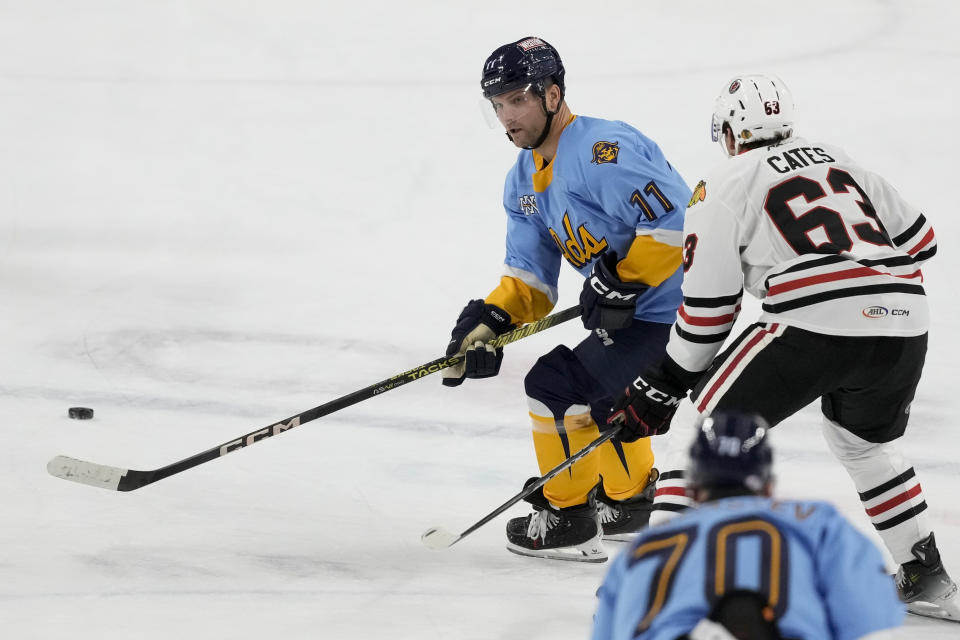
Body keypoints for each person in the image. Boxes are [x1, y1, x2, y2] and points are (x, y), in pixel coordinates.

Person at [607, 74, 958, 620]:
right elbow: (921, 240)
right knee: (864, 445)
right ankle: (927, 575)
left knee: (700, 428)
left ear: (729, 131)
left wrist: (663, 382)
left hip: (815, 324)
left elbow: (708, 313)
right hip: (905, 320)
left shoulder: (721, 183)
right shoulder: (839, 159)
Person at [441, 36, 691, 562]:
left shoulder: (604, 151)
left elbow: (676, 220)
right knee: (604, 400)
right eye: (497, 105)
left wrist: (626, 278)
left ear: (552, 95)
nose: (507, 116)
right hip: (636, 318)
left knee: (555, 387)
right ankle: (628, 503)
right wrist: (492, 320)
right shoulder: (523, 183)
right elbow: (532, 280)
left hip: (684, 312)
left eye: (516, 100)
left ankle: (567, 518)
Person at [592, 411, 906, 640]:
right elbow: (877, 616)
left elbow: (607, 629)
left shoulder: (646, 550)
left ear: (695, 485)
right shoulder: (820, 526)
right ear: (767, 483)